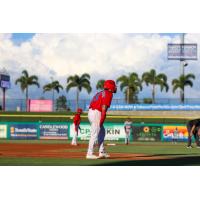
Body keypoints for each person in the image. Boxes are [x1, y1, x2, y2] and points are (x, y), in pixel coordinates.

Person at [86, 80, 117, 159]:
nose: (115, 87)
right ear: (111, 87)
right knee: (95, 132)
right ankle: (89, 153)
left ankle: (101, 152)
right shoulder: (108, 93)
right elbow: (104, 108)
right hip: (97, 112)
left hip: (91, 112)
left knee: (101, 132)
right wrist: (101, 121)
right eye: (114, 85)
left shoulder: (100, 92)